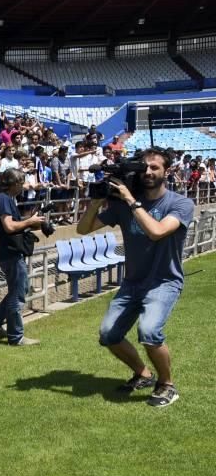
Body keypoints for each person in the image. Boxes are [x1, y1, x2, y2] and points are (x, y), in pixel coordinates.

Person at [76, 147, 195, 408]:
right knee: (108, 334)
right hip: (132, 282)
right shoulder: (121, 205)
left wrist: (130, 199)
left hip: (164, 281)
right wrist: (98, 200)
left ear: (167, 171)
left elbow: (157, 231)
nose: (149, 172)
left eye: (155, 168)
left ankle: (167, 385)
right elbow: (83, 228)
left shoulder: (180, 204)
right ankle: (143, 374)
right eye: (144, 168)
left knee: (149, 331)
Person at [0, 168, 46, 346]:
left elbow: (15, 225)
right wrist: (30, 222)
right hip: (9, 253)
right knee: (18, 294)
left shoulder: (7, 199)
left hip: (12, 252)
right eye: (21, 183)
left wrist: (33, 223)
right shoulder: (2, 199)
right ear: (14, 183)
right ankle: (16, 337)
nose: (23, 186)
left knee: (19, 290)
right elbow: (8, 227)